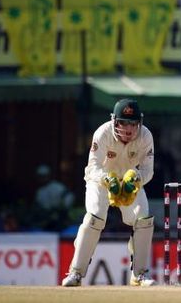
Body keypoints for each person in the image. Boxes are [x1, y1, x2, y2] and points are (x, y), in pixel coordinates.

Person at [62, 98, 155, 287]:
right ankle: (76, 273)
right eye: (124, 123)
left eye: (133, 123)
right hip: (101, 181)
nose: (128, 129)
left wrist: (136, 180)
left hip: (129, 180)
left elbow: (148, 170)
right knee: (95, 217)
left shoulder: (145, 136)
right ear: (115, 121)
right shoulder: (103, 133)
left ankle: (140, 274)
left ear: (140, 123)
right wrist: (107, 179)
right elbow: (93, 165)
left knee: (143, 219)